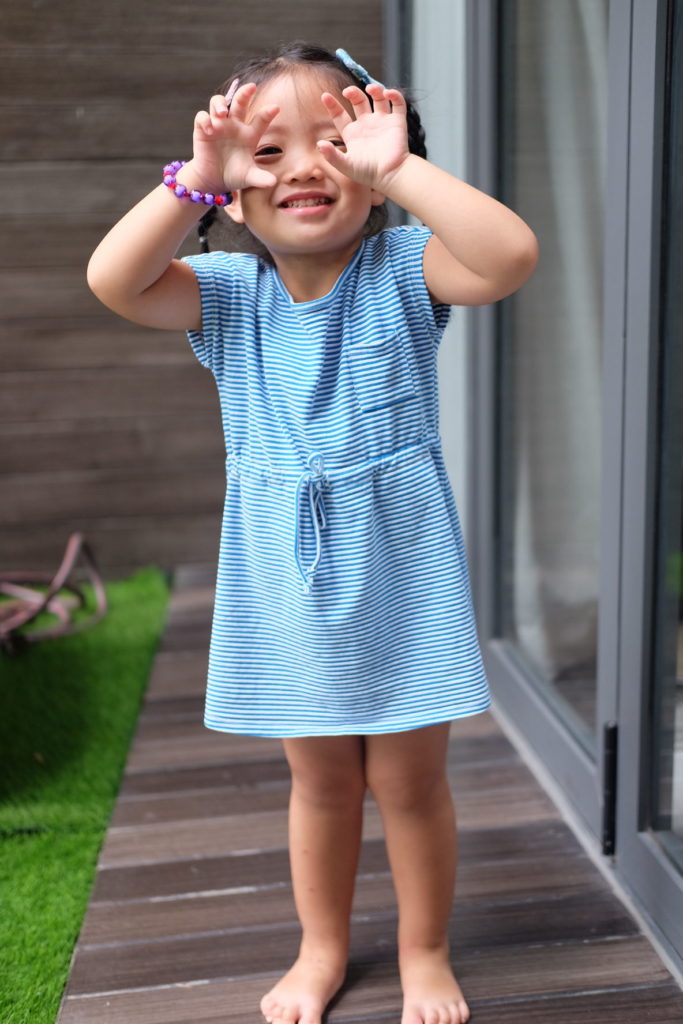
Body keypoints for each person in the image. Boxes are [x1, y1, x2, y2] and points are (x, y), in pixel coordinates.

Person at [87, 41, 538, 1024]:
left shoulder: (403, 269)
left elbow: (508, 256)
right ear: (234, 198)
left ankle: (424, 950)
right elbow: (113, 280)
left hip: (401, 563)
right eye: (267, 150)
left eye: (334, 143)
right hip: (283, 576)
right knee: (322, 779)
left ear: (373, 176)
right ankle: (320, 948)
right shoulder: (226, 292)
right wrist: (189, 180)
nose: (301, 166)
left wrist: (401, 170)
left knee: (410, 781)